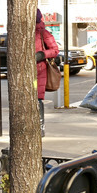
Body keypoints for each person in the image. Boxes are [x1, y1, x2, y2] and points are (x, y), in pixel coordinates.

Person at [35, 9, 59, 137]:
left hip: (39, 72)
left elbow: (55, 50)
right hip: (26, 72)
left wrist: (42, 54)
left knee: (37, 99)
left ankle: (40, 127)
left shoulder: (43, 32)